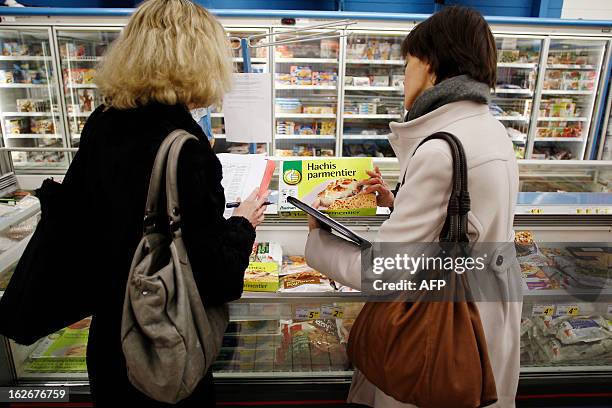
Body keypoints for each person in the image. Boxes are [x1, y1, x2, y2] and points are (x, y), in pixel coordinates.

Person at [305, 6, 521, 408]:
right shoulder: (493, 130)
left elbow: (383, 273)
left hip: (440, 332)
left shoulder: (441, 148)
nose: (404, 75)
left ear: (431, 65)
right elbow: (466, 223)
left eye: (408, 62)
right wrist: (398, 201)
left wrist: (317, 238)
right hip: (487, 315)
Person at [60, 0, 267, 406]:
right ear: (199, 58)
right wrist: (243, 223)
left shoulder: (101, 122)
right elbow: (216, 276)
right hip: (165, 347)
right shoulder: (185, 147)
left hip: (110, 340)